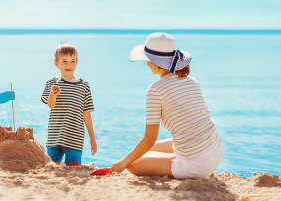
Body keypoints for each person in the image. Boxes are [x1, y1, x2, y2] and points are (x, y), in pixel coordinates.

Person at [111, 33, 221, 179]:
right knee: (141, 152)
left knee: (132, 164)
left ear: (155, 63)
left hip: (195, 166)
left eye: (147, 60)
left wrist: (123, 163)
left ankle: (181, 163)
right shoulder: (192, 81)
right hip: (214, 152)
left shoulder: (156, 90)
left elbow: (148, 139)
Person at [41, 43, 97, 166]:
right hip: (54, 136)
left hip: (75, 139)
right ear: (56, 63)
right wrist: (53, 94)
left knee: (74, 167)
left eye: (72, 61)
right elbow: (50, 105)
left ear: (77, 61)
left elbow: (86, 114)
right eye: (64, 61)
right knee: (51, 167)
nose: (69, 65)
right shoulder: (52, 83)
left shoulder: (84, 86)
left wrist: (92, 138)